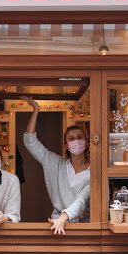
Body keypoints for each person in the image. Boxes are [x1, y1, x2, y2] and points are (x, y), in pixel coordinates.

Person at [22, 96, 90, 234]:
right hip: (56, 225)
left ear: (87, 142)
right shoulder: (55, 164)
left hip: (84, 228)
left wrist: (64, 218)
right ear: (65, 145)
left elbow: (81, 202)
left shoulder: (93, 171)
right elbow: (30, 142)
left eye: (79, 137)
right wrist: (36, 110)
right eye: (71, 139)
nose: (76, 141)